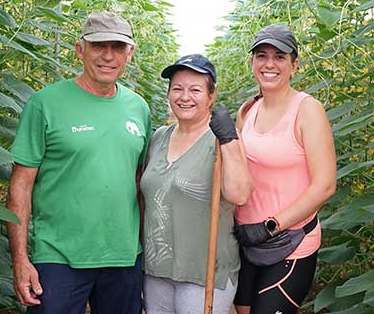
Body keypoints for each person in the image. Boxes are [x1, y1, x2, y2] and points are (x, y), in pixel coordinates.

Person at [7, 11, 150, 314]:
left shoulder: (138, 108)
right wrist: (20, 259)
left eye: (118, 47)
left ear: (130, 53)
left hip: (123, 256)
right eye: (99, 46)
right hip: (58, 257)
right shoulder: (45, 104)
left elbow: (139, 181)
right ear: (79, 49)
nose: (108, 56)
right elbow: (21, 185)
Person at [233, 25, 337, 314]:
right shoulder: (247, 110)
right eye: (261, 55)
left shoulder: (307, 110)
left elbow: (325, 185)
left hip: (289, 242)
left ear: (294, 65)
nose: (269, 64)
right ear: (252, 62)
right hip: (246, 241)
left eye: (280, 57)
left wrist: (271, 226)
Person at [140, 54, 254, 313]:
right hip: (157, 270)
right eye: (177, 89)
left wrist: (228, 139)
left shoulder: (220, 140)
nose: (184, 97)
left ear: (211, 97)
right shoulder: (159, 137)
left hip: (204, 273)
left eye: (195, 90)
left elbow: (239, 194)